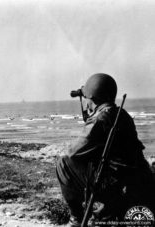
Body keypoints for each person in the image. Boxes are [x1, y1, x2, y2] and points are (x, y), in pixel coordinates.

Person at [56, 73, 155, 226]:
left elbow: (73, 153)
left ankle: (76, 218)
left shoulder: (101, 119)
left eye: (86, 99)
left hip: (114, 185)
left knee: (63, 163)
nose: (86, 103)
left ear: (92, 99)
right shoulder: (122, 114)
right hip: (136, 181)